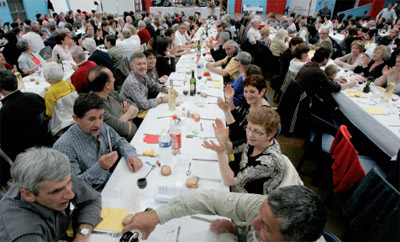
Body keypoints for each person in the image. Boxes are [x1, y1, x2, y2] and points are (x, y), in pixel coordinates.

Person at [122, 186, 327, 242]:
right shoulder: (269, 208)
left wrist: (228, 235)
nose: (251, 223)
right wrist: (158, 216)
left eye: (264, 226)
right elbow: (209, 199)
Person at [0, 147, 102, 241]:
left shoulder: (58, 178)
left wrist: (82, 235)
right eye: (56, 191)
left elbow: (92, 200)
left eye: (69, 182)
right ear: (28, 195)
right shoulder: (25, 232)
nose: (71, 195)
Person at [53, 93, 143, 191]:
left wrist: (131, 155)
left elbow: (120, 141)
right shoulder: (64, 147)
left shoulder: (101, 127)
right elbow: (74, 187)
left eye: (100, 117)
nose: (98, 123)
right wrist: (100, 167)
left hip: (113, 183)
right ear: (76, 119)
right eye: (92, 119)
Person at [203, 106, 284, 195]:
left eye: (257, 131)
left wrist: (220, 153)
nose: (250, 134)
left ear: (270, 135)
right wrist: (223, 141)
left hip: (248, 201)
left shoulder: (268, 162)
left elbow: (229, 181)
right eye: (248, 128)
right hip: (237, 183)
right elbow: (231, 149)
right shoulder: (257, 140)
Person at [0, 70, 53, 162]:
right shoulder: (34, 97)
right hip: (46, 141)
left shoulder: (5, 111)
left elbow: (7, 143)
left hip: (27, 155)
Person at [88, 65, 139, 141]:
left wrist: (123, 119)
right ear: (107, 85)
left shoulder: (111, 93)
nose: (114, 79)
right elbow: (125, 130)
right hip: (127, 143)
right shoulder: (97, 107)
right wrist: (128, 115)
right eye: (112, 77)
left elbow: (134, 106)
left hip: (136, 133)